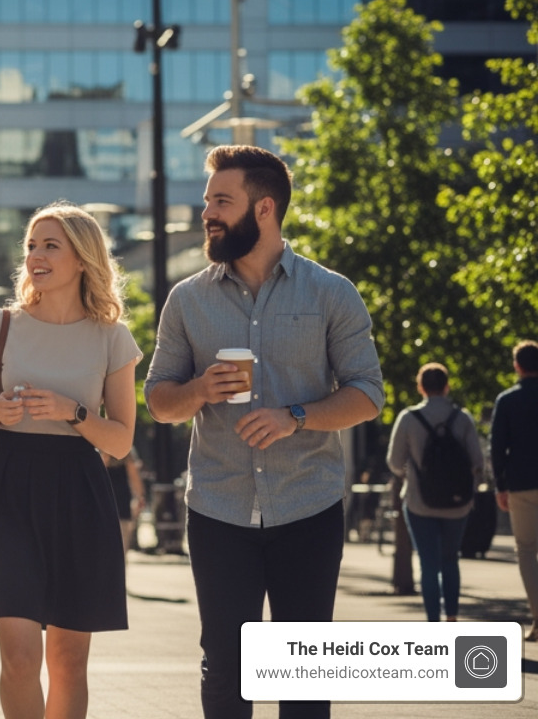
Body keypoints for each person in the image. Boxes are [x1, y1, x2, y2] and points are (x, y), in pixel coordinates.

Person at [145, 145, 383, 719]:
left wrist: (294, 416)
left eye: (222, 201)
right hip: (218, 509)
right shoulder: (187, 299)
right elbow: (157, 401)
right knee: (226, 668)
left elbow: (367, 396)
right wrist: (200, 390)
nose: (208, 213)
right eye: (207, 202)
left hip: (309, 505)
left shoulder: (331, 292)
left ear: (265, 208)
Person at [0, 203, 140, 719]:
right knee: (18, 657)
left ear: (83, 258)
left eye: (50, 246)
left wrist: (73, 412)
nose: (35, 256)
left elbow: (121, 441)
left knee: (67, 660)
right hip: (9, 492)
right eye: (31, 246)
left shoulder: (111, 337)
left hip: (80, 493)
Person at [385, 363, 484, 622]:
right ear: (447, 386)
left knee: (428, 564)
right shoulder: (462, 418)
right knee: (450, 560)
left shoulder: (408, 418)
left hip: (419, 502)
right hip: (458, 504)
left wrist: (413, 476)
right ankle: (452, 618)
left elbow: (395, 462)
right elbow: (477, 462)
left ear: (420, 387)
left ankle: (433, 623)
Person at [492, 339, 538, 641]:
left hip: (521, 485)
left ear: (517, 366)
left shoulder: (507, 401)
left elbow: (497, 447)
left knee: (526, 550)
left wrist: (500, 486)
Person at [102, 446, 147, 558]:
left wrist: (140, 497)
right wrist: (140, 496)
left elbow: (133, 474)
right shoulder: (123, 449)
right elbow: (134, 474)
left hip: (116, 504)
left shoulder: (125, 451)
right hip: (115, 504)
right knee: (120, 547)